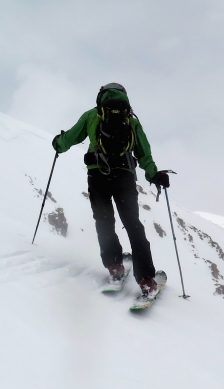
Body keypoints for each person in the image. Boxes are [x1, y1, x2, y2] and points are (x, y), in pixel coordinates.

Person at [52, 83, 170, 294]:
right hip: (124, 177)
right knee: (133, 224)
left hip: (98, 175)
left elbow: (69, 138)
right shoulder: (131, 121)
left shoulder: (92, 115)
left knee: (104, 221)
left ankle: (115, 266)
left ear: (101, 98)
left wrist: (57, 143)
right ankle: (146, 279)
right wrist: (153, 174)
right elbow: (144, 153)